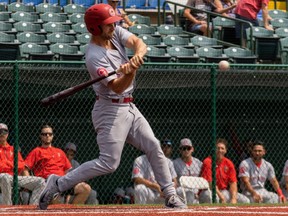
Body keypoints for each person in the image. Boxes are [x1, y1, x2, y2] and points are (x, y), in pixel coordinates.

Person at [38, 4, 187, 210]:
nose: (113, 26)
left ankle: (170, 195)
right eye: (108, 24)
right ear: (95, 28)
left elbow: (138, 42)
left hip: (129, 106)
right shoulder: (94, 56)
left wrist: (135, 57)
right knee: (109, 163)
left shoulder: (114, 33)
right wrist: (130, 72)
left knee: (153, 145)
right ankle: (58, 183)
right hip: (109, 109)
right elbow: (117, 87)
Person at [25, 125, 91, 206]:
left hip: (63, 182)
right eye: (44, 134)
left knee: (85, 189)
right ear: (40, 136)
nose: (47, 136)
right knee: (55, 197)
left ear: (52, 136)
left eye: (50, 134)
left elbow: (67, 170)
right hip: (47, 183)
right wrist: (31, 184)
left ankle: (71, 211)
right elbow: (25, 169)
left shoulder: (59, 151)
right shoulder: (36, 151)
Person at [0, 123, 45, 205]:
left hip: (14, 178)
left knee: (41, 181)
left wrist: (6, 163)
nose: (2, 134)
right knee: (4, 176)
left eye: (4, 132)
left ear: (8, 134)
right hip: (2, 178)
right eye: (0, 132)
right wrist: (13, 165)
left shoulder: (13, 149)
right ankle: (7, 209)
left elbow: (21, 165)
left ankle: (32, 210)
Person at [199, 138, 250, 204]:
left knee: (245, 201)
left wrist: (233, 199)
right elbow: (210, 183)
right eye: (218, 148)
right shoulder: (208, 161)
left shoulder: (229, 163)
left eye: (222, 148)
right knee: (215, 199)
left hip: (223, 191)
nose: (220, 150)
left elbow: (233, 183)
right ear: (214, 150)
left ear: (225, 150)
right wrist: (221, 197)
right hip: (208, 191)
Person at [131, 139, 178, 204]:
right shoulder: (140, 160)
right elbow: (137, 179)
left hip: (162, 194)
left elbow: (174, 181)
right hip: (149, 192)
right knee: (140, 188)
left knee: (176, 190)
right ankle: (140, 211)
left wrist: (168, 191)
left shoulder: (168, 162)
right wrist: (155, 186)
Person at [173, 138, 203, 204]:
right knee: (189, 194)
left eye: (188, 148)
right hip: (181, 190)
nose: (186, 150)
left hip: (196, 190)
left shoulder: (198, 163)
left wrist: (199, 192)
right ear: (180, 150)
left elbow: (203, 179)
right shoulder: (175, 163)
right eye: (184, 148)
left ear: (192, 149)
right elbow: (173, 181)